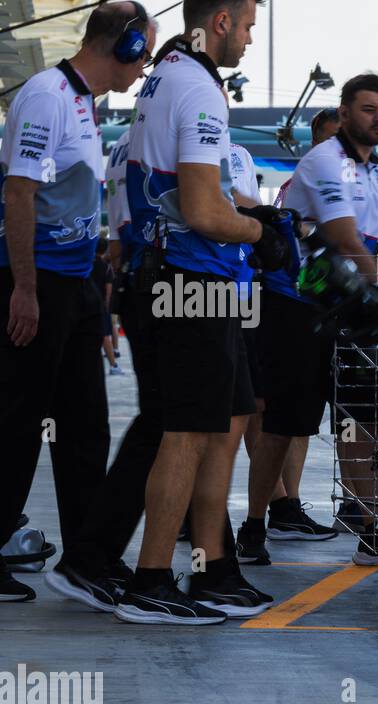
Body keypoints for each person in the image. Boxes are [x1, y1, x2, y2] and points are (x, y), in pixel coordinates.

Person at [110, 0, 289, 625]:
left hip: (200, 278)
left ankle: (212, 568)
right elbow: (203, 211)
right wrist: (259, 234)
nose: (247, 39)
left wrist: (253, 219)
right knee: (187, 431)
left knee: (233, 417)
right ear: (220, 22)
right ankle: (151, 578)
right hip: (192, 279)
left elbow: (206, 191)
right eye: (246, 27)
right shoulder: (196, 87)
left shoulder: (169, 75)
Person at [0, 2, 155, 603]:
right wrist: (24, 289)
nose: (143, 68)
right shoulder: (46, 95)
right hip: (38, 282)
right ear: (123, 43)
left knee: (84, 426)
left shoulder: (83, 105)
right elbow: (19, 194)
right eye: (142, 52)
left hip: (75, 286)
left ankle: (89, 557)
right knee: (18, 423)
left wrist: (94, 294)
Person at [238, 74, 378, 568]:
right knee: (284, 425)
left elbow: (373, 247)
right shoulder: (324, 161)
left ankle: (369, 529)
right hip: (300, 307)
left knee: (360, 423)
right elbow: (345, 238)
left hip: (355, 308)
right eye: (368, 109)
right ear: (344, 114)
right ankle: (255, 524)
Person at [93, 236, 124, 375]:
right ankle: (113, 365)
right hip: (101, 305)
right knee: (105, 335)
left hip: (88, 302)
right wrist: (107, 307)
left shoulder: (88, 264)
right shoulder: (106, 267)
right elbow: (109, 291)